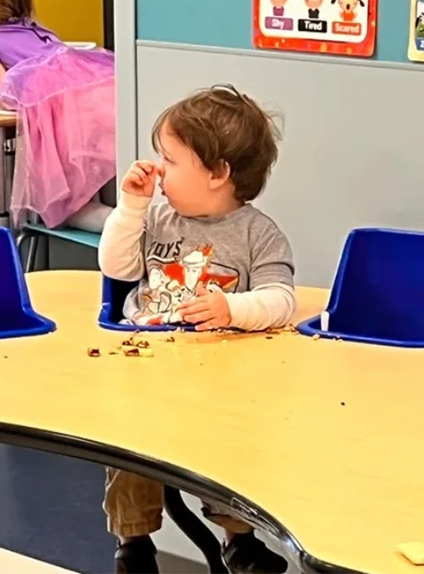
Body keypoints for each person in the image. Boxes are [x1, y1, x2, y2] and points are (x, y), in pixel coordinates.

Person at [98, 85, 295, 574]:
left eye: (170, 158)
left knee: (234, 444)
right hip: (148, 371)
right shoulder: (157, 218)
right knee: (128, 444)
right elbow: (116, 267)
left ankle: (238, 537)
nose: (157, 168)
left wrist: (233, 308)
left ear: (218, 173)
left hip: (222, 384)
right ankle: (134, 542)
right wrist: (131, 208)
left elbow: (282, 300)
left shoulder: (258, 234)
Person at [0, 0, 115, 229]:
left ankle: (116, 224)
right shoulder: (38, 31)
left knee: (63, 208)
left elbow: (3, 93)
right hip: (99, 104)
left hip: (61, 122)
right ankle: (125, 218)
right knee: (98, 179)